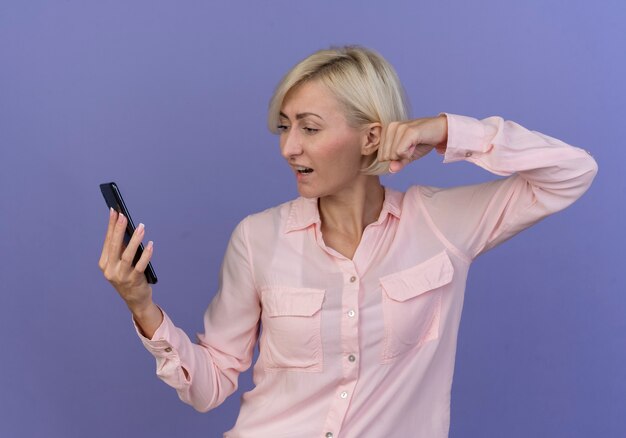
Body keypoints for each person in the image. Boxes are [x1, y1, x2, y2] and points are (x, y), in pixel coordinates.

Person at [98, 46, 598, 437]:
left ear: (371, 136)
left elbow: (572, 172)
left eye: (310, 128)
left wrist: (447, 130)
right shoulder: (257, 238)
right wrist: (141, 304)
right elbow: (209, 387)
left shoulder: (442, 223)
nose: (290, 147)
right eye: (284, 127)